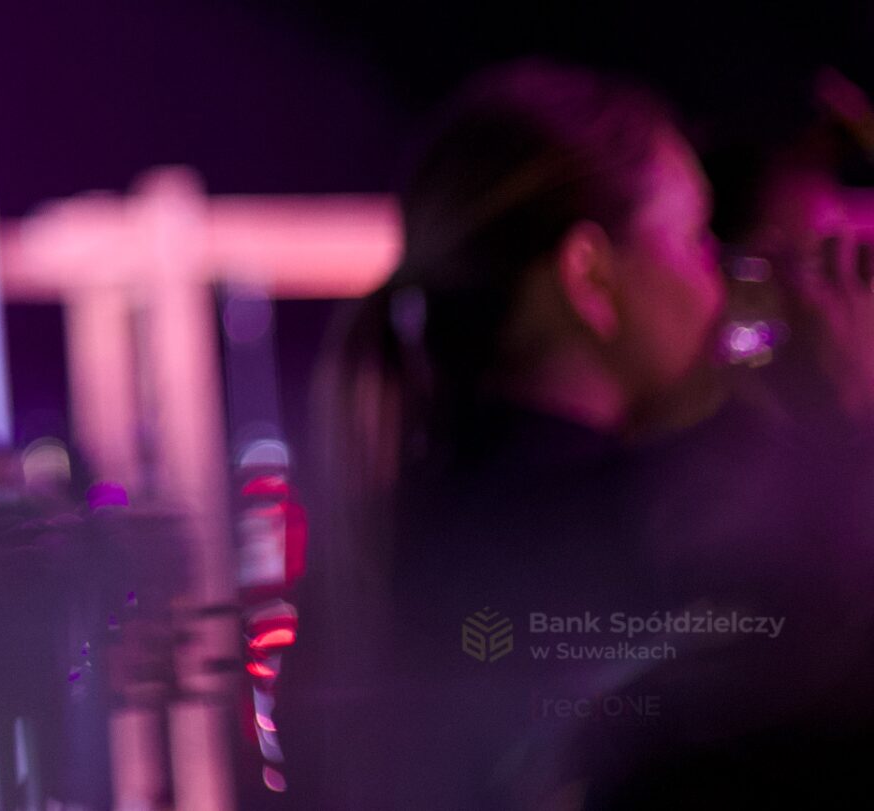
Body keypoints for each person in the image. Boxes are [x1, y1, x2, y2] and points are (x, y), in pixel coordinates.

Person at [287, 59, 874, 811]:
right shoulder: (633, 524)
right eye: (694, 236)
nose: (718, 280)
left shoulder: (430, 505)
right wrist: (846, 425)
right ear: (589, 276)